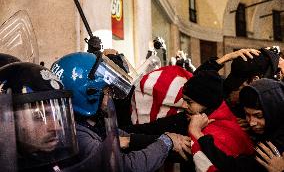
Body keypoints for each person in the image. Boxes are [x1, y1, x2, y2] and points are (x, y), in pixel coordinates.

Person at [51, 52, 192, 172]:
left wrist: (167, 139)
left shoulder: (92, 120)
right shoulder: (78, 135)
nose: (109, 97)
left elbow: (123, 135)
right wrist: (165, 142)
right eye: (106, 92)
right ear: (88, 96)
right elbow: (126, 166)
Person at [189, 78, 284, 172]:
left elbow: (234, 167)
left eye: (258, 115)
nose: (251, 122)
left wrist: (197, 133)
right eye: (247, 115)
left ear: (275, 111)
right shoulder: (271, 128)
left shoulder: (277, 144)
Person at [0, 62, 78, 172]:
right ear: (5, 122)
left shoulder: (53, 157)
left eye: (57, 114)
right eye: (39, 116)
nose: (57, 127)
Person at [183, 70, 253, 171]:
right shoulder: (226, 117)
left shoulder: (210, 133)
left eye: (189, 102)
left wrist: (195, 132)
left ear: (206, 102)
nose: (183, 105)